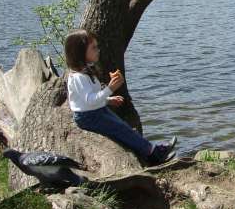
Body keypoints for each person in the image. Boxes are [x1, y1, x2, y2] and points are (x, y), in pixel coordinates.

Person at [64, 29, 176, 166]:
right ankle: (153, 153)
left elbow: (91, 99)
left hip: (96, 111)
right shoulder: (78, 77)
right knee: (120, 129)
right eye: (94, 48)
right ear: (80, 52)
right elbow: (90, 100)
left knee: (123, 127)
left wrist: (107, 100)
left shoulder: (87, 71)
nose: (98, 50)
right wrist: (110, 89)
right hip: (88, 117)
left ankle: (149, 151)